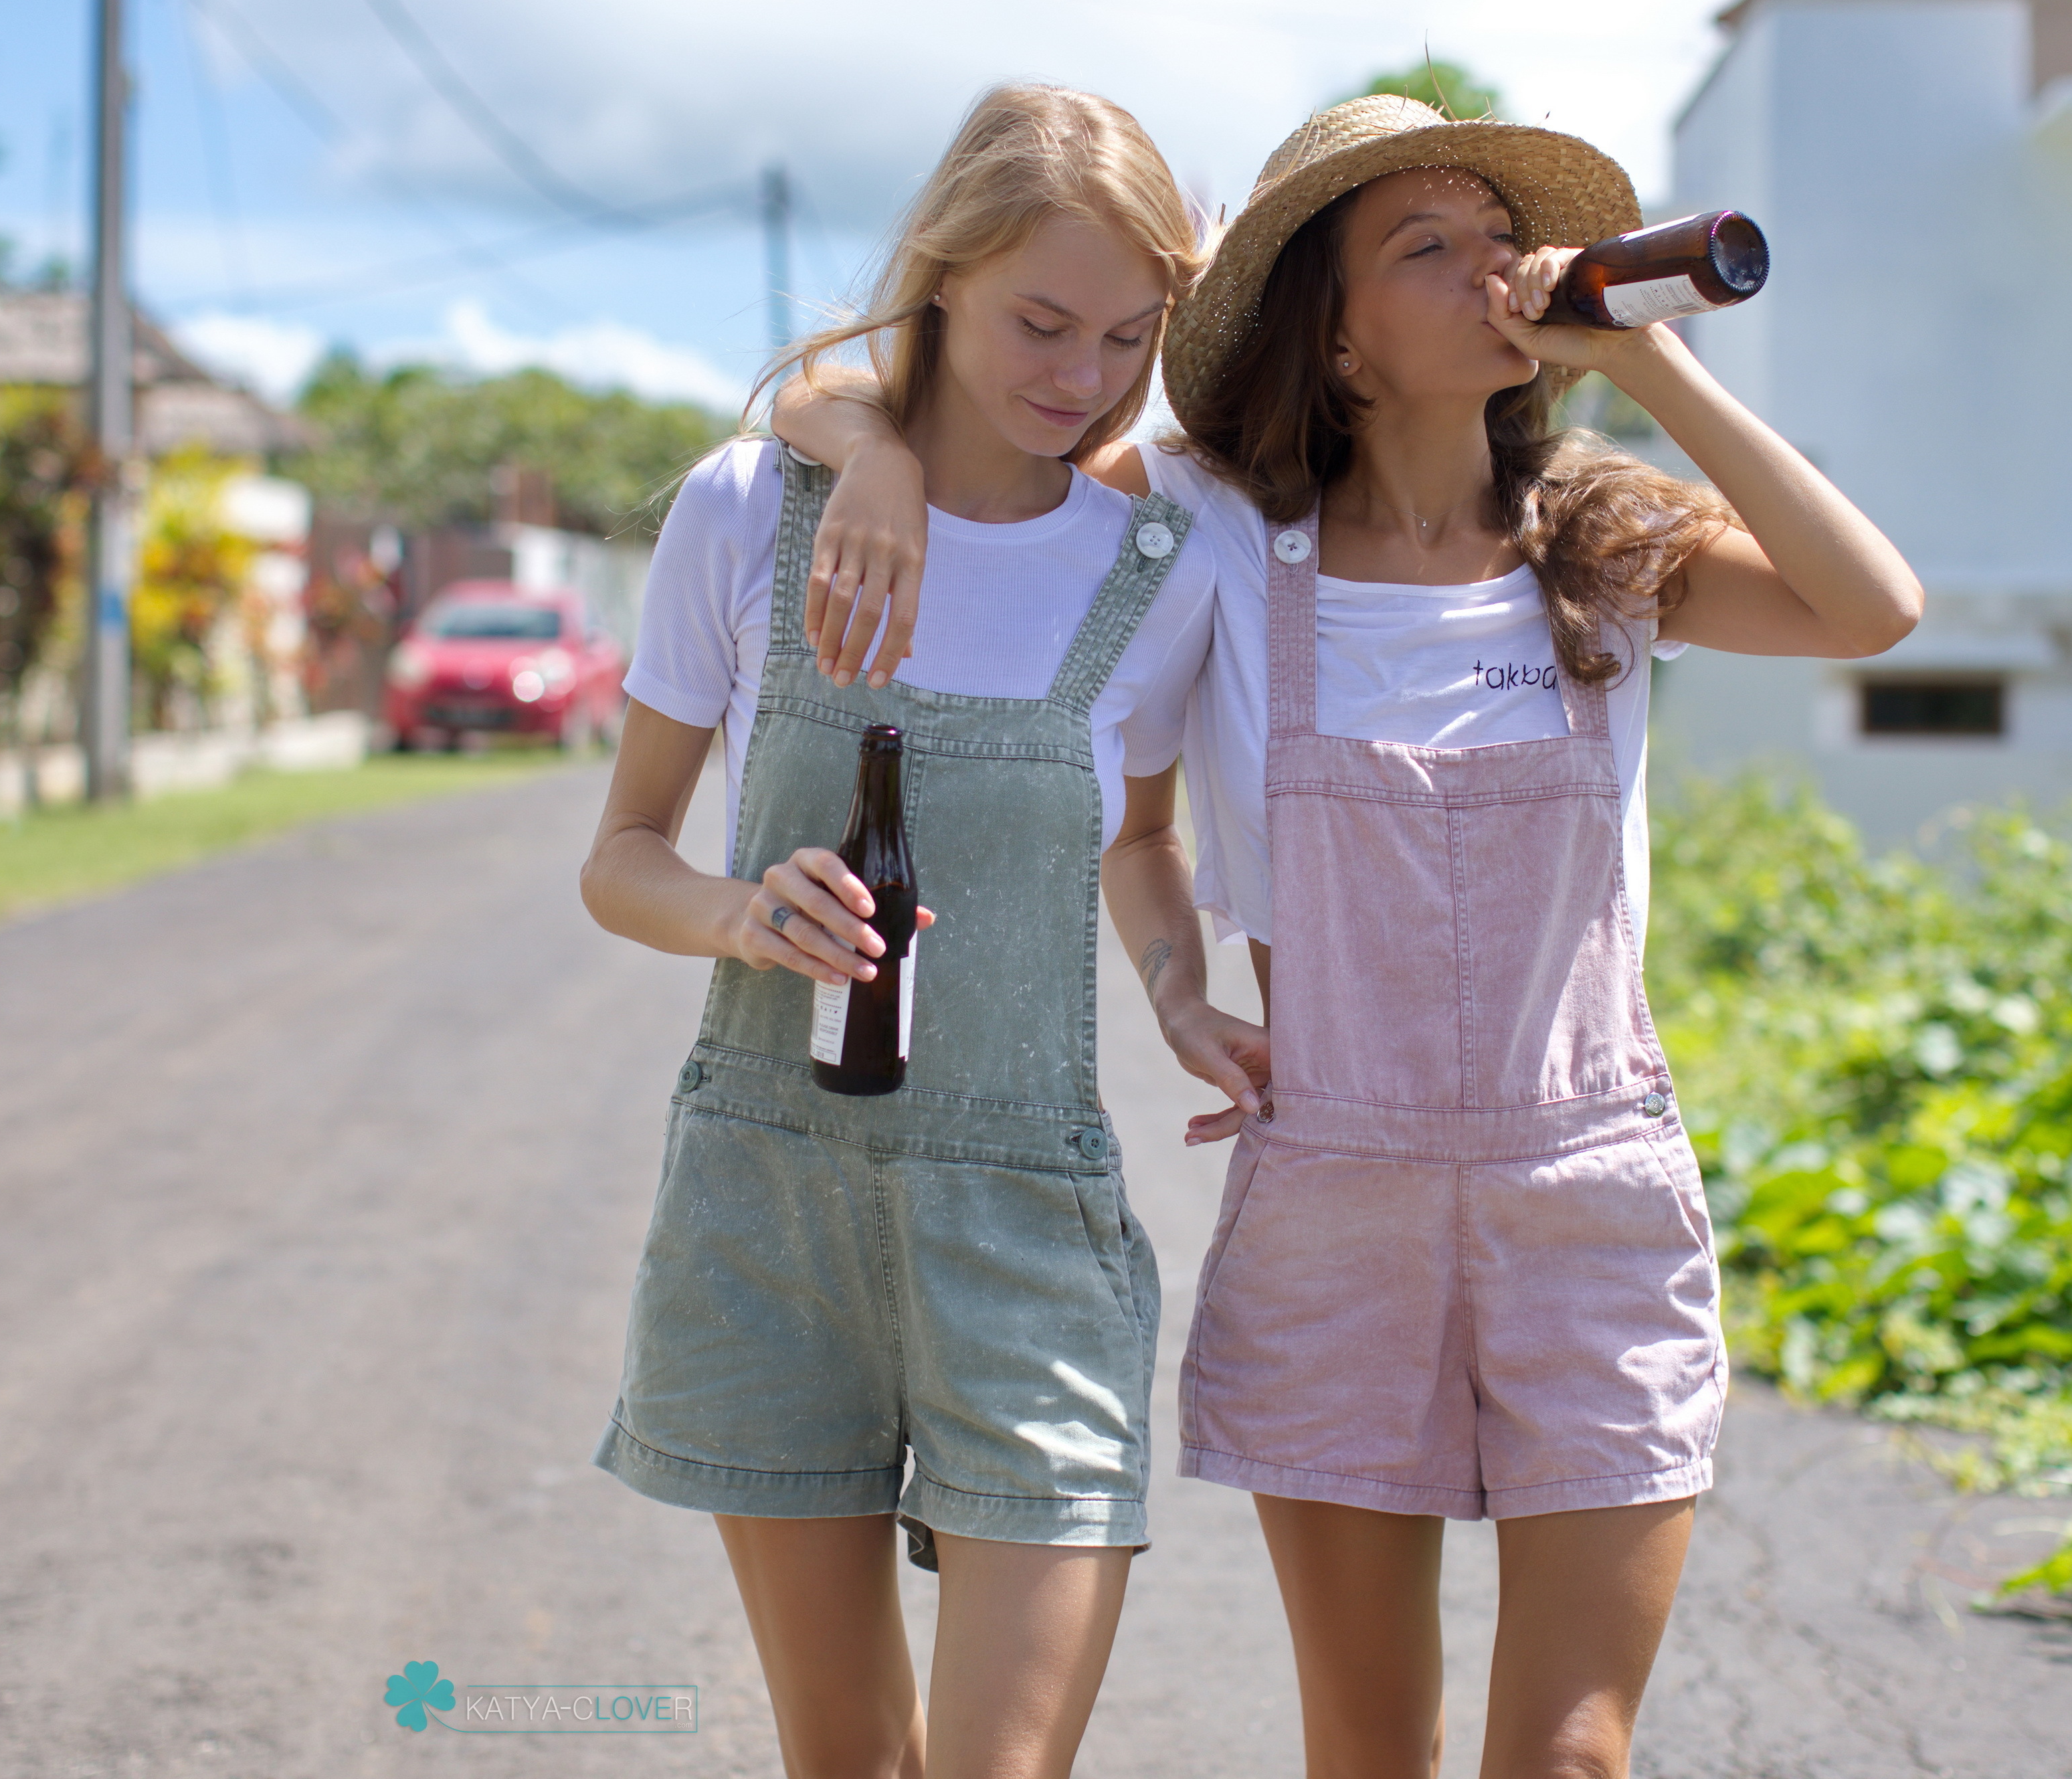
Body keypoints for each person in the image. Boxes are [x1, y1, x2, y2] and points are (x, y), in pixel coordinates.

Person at [774, 94, 1921, 1778]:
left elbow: (1873, 605)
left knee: (1575, 1752)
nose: (1494, 270)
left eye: (1497, 239)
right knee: (1370, 1743)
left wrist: (1652, 369)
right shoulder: (1216, 532)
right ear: (1340, 332)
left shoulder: (1601, 544)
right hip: (1336, 1204)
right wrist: (1176, 976)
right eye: (1427, 246)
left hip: (1589, 1188)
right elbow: (876, 407)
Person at [580, 84, 1222, 1779]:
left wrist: (1181, 983)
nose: (1081, 376)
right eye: (1040, 318)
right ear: (938, 274)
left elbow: (1146, 841)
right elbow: (622, 853)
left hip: (1029, 1222)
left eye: (1127, 336)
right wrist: (737, 910)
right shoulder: (744, 510)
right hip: (771, 1203)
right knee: (848, 1754)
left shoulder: (1161, 564)